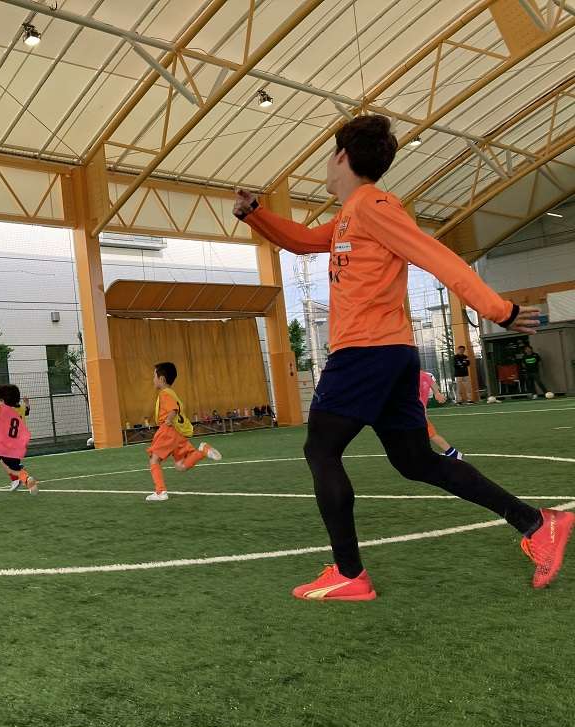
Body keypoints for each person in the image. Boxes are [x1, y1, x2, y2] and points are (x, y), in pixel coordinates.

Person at [232, 114, 572, 600]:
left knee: (321, 449)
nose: (325, 164)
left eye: (329, 155)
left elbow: (436, 256)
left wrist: (500, 309)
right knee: (414, 461)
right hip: (387, 355)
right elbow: (303, 241)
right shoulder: (350, 214)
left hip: (366, 352)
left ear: (342, 156)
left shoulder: (374, 206)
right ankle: (537, 524)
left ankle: (349, 574)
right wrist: (255, 214)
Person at [146, 362, 221, 502]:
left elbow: (173, 409)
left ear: (161, 379)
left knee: (154, 459)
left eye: (154, 376)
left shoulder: (164, 394)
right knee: (180, 465)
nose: (153, 379)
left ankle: (160, 492)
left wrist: (168, 420)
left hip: (168, 430)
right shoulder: (172, 393)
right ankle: (202, 451)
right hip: (177, 433)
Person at [419, 371, 462, 460]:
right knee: (427, 435)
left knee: (431, 434)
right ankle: (452, 453)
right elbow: (433, 384)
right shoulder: (424, 375)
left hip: (418, 412)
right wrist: (437, 393)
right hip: (418, 412)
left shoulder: (411, 376)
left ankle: (453, 453)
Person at [9, 396, 32, 491]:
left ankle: (20, 479)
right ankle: (20, 476)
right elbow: (27, 411)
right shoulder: (21, 408)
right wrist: (27, 402)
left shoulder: (10, 410)